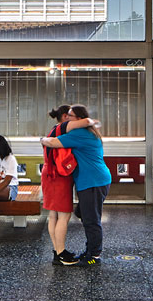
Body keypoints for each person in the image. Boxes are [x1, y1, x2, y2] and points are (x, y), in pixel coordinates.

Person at [40, 104, 111, 266]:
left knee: (91, 220)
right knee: (87, 215)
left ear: (78, 119)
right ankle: (90, 250)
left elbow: (53, 143)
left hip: (93, 181)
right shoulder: (88, 132)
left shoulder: (79, 133)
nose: (67, 118)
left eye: (70, 116)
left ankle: (94, 256)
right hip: (94, 181)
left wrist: (42, 139)